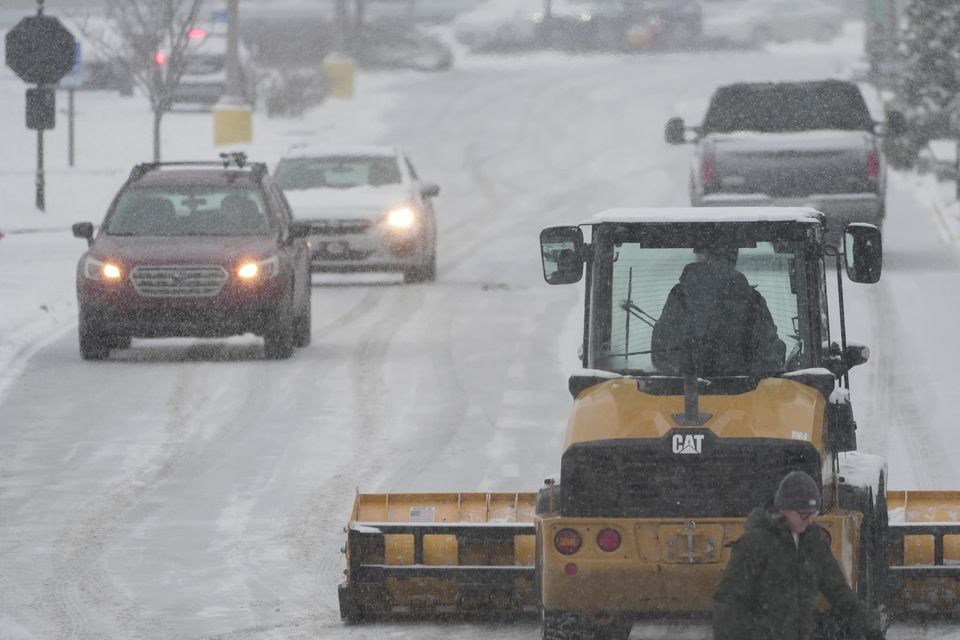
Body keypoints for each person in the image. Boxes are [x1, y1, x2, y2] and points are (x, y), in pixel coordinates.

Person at [713, 471, 885, 640]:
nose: (810, 520)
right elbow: (728, 601)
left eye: (814, 514)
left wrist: (871, 630)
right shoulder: (754, 544)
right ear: (783, 509)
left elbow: (839, 592)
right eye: (804, 514)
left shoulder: (814, 543)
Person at [651, 244, 785, 375]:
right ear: (733, 259)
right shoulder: (752, 300)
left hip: (683, 392)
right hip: (745, 392)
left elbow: (662, 352)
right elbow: (770, 356)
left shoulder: (680, 296)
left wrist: (689, 371)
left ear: (704, 255)